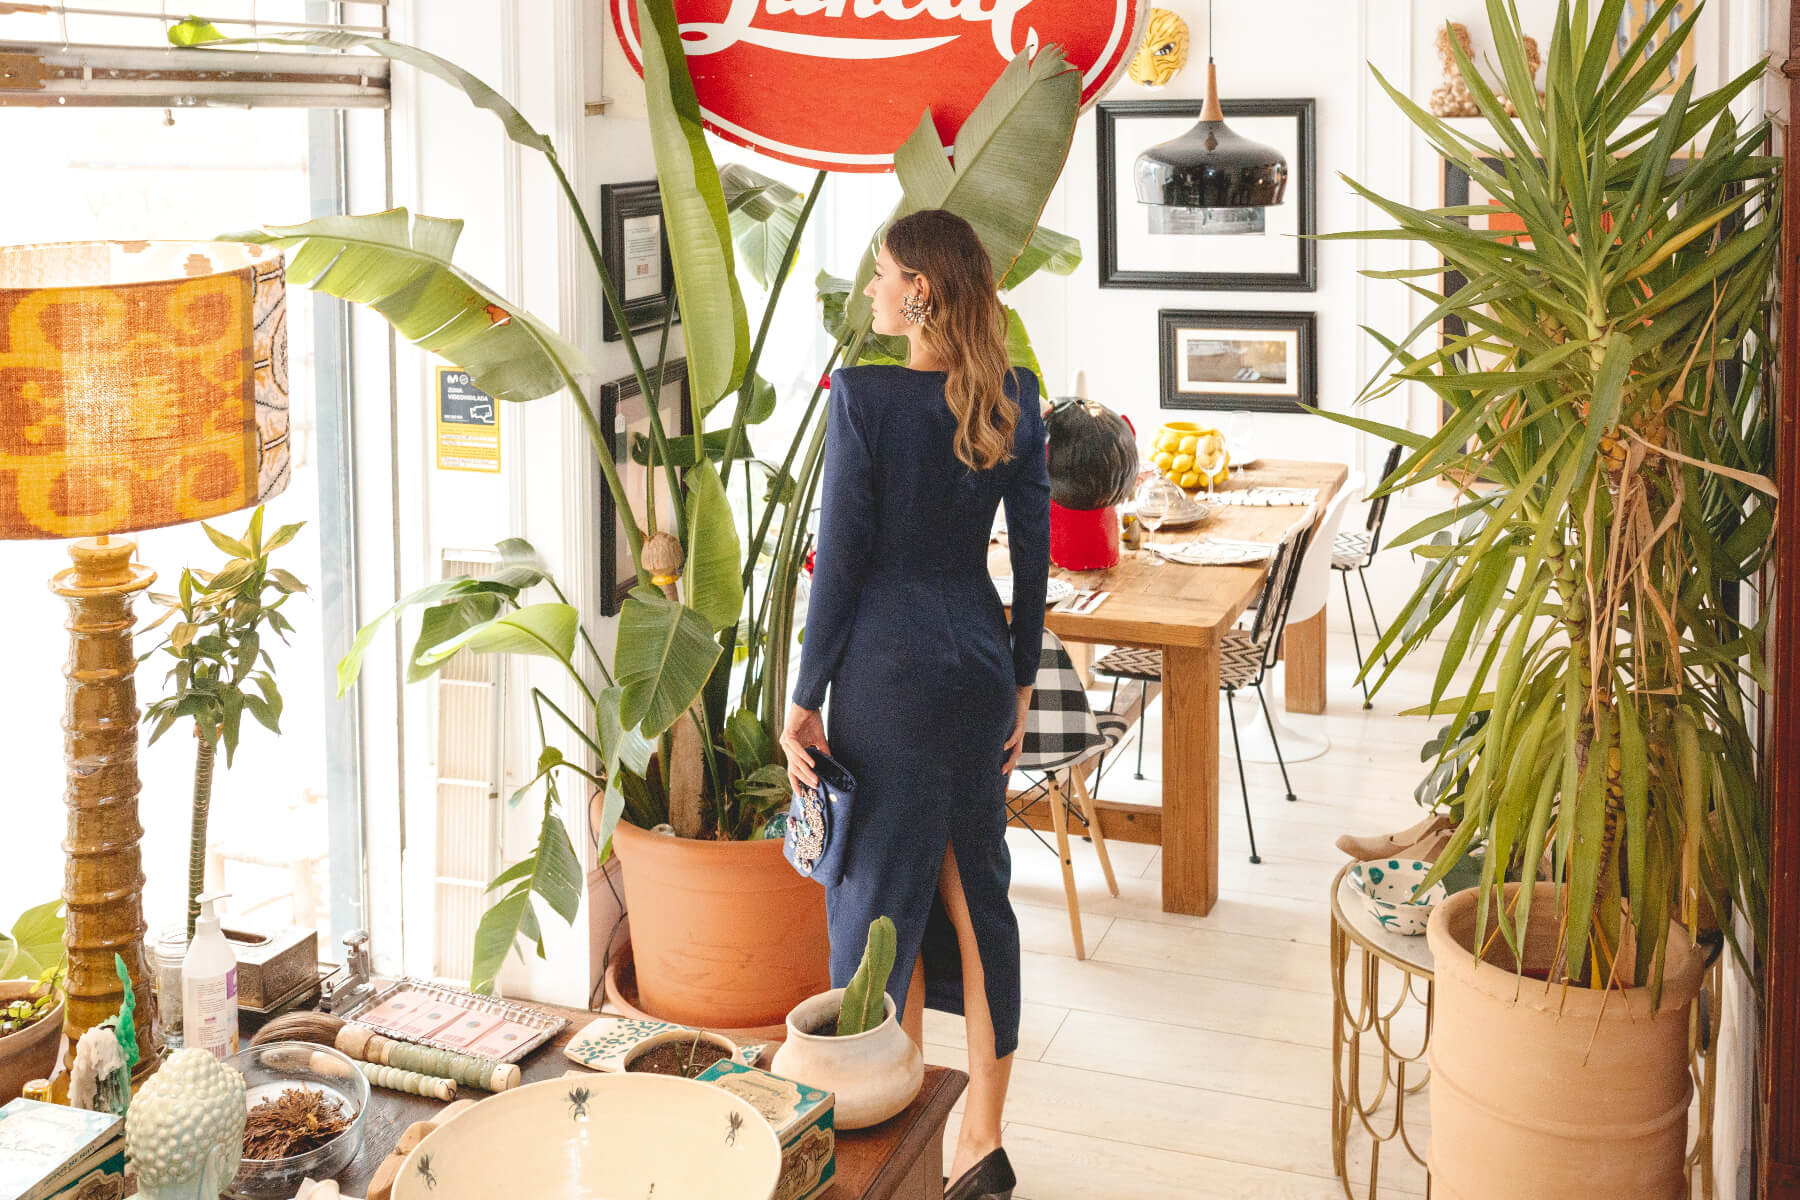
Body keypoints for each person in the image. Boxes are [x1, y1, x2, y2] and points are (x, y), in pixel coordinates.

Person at [780, 208, 1048, 1200]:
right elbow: (1034, 558)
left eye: (883, 273)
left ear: (920, 291)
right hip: (975, 669)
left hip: (886, 683)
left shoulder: (862, 399)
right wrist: (1020, 679)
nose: (872, 289)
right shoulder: (1013, 398)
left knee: (875, 900)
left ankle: (890, 1130)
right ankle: (981, 1139)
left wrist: (804, 696)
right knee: (976, 899)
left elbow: (841, 564)